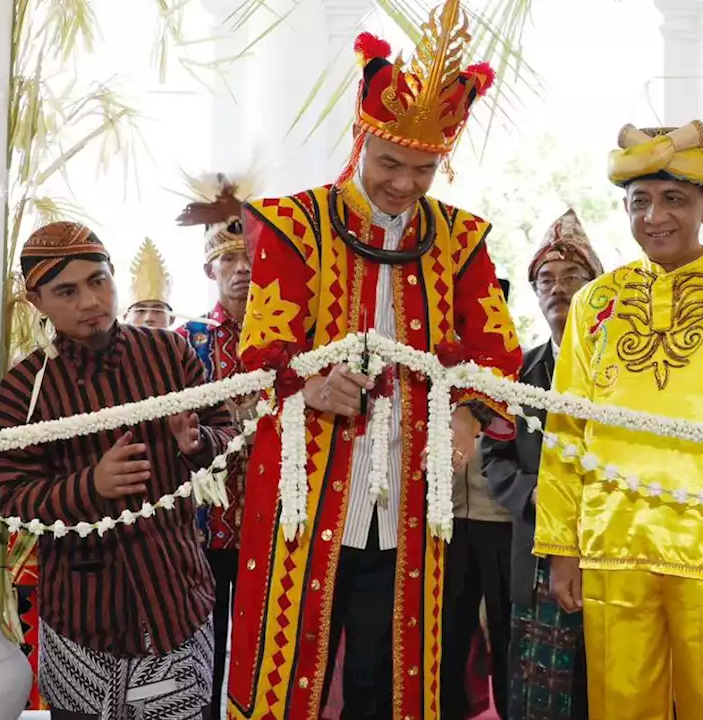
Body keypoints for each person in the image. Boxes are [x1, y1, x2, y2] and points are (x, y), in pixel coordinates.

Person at [225, 2, 523, 717]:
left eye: (424, 170)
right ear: (360, 139)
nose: (404, 183)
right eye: (390, 162)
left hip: (413, 498)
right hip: (306, 488)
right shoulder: (294, 226)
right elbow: (260, 356)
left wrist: (466, 420)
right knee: (286, 664)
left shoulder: (460, 240)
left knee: (390, 683)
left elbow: (496, 355)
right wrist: (309, 386)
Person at [532, 122, 703, 720]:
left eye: (673, 199)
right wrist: (561, 545)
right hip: (613, 545)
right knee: (619, 706)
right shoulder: (594, 305)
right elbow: (566, 432)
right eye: (640, 202)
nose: (654, 216)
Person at [0, 220, 237, 720]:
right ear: (37, 300)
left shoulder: (170, 353)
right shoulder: (26, 387)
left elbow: (228, 434)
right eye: (66, 291)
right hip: (83, 620)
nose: (89, 302)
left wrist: (198, 442)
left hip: (178, 607)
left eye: (98, 281)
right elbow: (10, 496)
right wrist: (91, 486)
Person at [482, 209, 602, 720]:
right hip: (534, 549)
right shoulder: (516, 373)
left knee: (608, 681)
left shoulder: (627, 366)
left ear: (596, 288)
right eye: (545, 280)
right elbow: (495, 458)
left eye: (572, 277)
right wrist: (542, 496)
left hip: (610, 543)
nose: (558, 289)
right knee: (537, 691)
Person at [175, 176, 259, 720]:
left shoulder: (289, 339)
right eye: (230, 260)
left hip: (272, 522)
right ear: (211, 270)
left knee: (263, 651)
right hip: (202, 526)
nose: (244, 269)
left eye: (252, 257)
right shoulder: (188, 339)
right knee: (200, 651)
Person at [442, 277, 518, 720]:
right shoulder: (436, 366)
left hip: (500, 519)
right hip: (447, 521)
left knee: (506, 632)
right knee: (450, 628)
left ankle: (510, 709)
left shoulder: (508, 370)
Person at [124, 237, 174, 329]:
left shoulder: (182, 343)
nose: (149, 318)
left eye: (158, 310)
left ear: (171, 318)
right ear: (126, 317)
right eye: (141, 310)